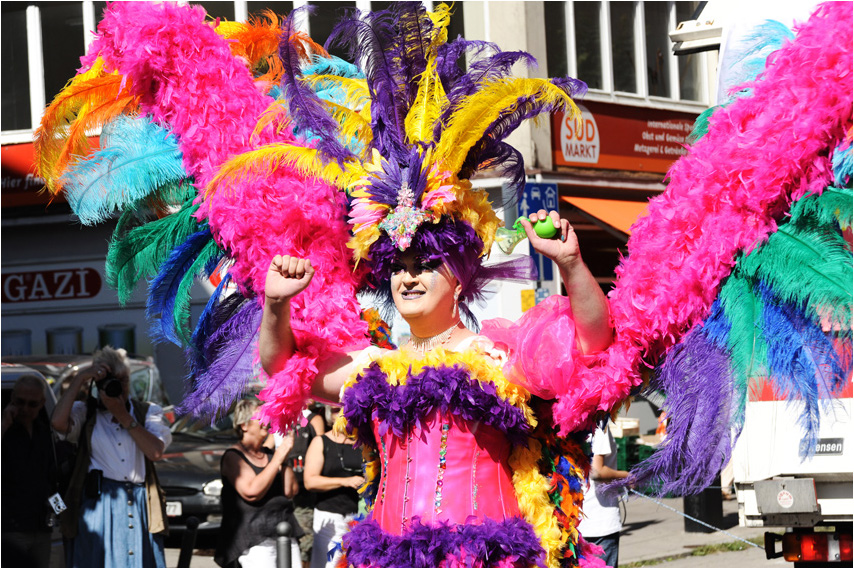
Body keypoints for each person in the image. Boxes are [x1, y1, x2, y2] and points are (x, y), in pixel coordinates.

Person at [51, 346, 171, 568]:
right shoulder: (86, 412)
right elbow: (58, 423)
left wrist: (123, 415)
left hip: (138, 502)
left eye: (123, 380)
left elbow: (155, 451)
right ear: (98, 385)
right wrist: (80, 378)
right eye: (112, 381)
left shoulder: (148, 412)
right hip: (98, 505)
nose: (120, 388)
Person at [215, 398, 304, 568]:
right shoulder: (233, 456)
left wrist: (283, 456)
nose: (266, 421)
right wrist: (278, 458)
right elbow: (251, 492)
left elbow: (290, 491)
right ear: (244, 425)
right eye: (260, 417)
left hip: (284, 531)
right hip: (254, 539)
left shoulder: (270, 456)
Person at [1, 374, 56, 568]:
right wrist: (4, 425)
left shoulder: (44, 433)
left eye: (32, 404)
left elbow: (51, 479)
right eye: (20, 402)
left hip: (41, 527)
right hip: (10, 528)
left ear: (42, 404)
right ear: (12, 399)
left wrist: (61, 512)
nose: (25, 409)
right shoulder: (5, 430)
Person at [303, 406, 364, 568]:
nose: (342, 413)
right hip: (329, 517)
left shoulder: (362, 443)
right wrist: (345, 481)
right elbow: (310, 481)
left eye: (346, 408)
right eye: (337, 409)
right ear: (330, 414)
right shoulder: (321, 441)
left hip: (358, 517)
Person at [577, 423, 630, 568]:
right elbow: (597, 471)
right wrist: (627, 476)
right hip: (599, 520)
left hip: (578, 520)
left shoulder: (575, 422)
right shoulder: (600, 423)